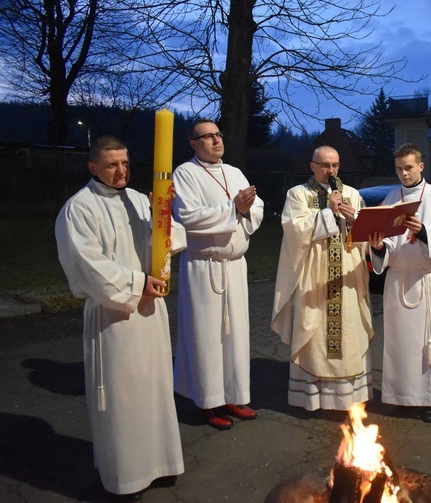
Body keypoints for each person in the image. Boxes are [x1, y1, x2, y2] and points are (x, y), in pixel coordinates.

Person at [55, 136, 185, 500]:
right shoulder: (79, 209)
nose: (121, 171)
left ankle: (159, 463)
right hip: (114, 315)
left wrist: (162, 215)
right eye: (112, 164)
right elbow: (87, 266)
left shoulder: (139, 201)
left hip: (150, 311)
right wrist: (138, 282)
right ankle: (126, 474)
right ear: (92, 166)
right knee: (121, 394)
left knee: (155, 389)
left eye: (125, 163)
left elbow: (162, 242)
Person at [172, 119, 265, 430]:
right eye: (207, 137)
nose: (215, 141)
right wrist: (233, 208)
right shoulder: (185, 173)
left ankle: (233, 397)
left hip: (234, 266)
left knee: (235, 335)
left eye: (218, 135)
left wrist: (247, 207)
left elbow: (258, 206)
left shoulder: (234, 171)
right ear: (193, 144)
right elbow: (186, 217)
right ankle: (208, 402)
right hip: (204, 267)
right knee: (207, 336)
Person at [271, 145, 374, 411]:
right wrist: (328, 211)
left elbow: (362, 236)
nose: (331, 171)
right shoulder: (297, 194)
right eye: (325, 165)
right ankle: (313, 398)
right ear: (313, 166)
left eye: (335, 165)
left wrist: (354, 220)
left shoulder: (351, 193)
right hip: (314, 275)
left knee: (349, 333)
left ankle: (348, 400)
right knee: (314, 333)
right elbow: (294, 231)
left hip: (346, 276)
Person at [368, 143, 431, 423]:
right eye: (399, 168)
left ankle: (430, 398)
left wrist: (423, 232)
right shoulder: (390, 198)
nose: (403, 173)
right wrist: (376, 247)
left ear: (420, 166)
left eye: (408, 167)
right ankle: (400, 397)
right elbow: (385, 241)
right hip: (398, 280)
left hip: (427, 279)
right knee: (399, 344)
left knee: (429, 344)